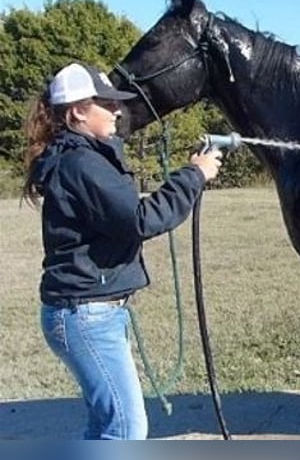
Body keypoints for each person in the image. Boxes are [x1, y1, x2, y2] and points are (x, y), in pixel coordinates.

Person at [22, 61, 223, 440]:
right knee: (126, 430)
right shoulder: (82, 164)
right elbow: (140, 219)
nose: (118, 110)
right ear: (78, 111)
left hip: (87, 312)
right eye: (107, 103)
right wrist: (194, 175)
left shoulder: (81, 159)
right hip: (86, 315)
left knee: (107, 425)